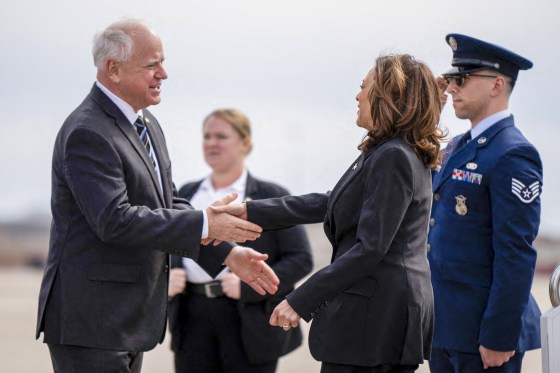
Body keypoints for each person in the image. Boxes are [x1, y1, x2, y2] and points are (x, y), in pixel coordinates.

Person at [35, 19, 279, 373]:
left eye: (162, 62)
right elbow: (115, 221)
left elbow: (167, 205)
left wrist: (227, 253)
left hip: (128, 322)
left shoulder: (146, 123)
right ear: (113, 69)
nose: (163, 73)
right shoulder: (88, 132)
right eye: (152, 65)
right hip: (92, 322)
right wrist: (206, 222)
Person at [213, 54, 445, 372]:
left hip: (376, 324)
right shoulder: (389, 151)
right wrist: (249, 212)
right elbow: (331, 201)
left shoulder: (393, 156)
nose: (357, 95)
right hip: (376, 322)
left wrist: (301, 299)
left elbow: (371, 248)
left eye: (364, 87)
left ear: (388, 97)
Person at [427, 34, 542, 372]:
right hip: (447, 327)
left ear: (496, 85)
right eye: (450, 79)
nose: (451, 88)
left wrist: (499, 335)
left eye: (460, 79)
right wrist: (429, 112)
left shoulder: (513, 153)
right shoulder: (460, 145)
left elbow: (516, 252)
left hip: (484, 334)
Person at [167, 108, 313, 373]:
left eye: (221, 136)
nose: (211, 143)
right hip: (190, 315)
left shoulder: (271, 195)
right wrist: (167, 276)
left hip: (251, 321)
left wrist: (247, 287)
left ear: (245, 143)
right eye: (207, 136)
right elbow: (166, 243)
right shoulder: (186, 194)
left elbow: (301, 260)